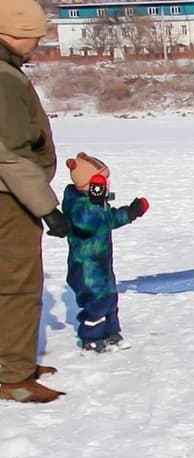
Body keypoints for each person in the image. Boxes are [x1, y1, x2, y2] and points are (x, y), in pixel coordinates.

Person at [0, 0, 70, 404]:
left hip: (11, 190)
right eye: (36, 38)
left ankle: (11, 361)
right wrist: (48, 208)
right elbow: (9, 153)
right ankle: (15, 377)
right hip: (9, 198)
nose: (38, 45)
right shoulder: (4, 79)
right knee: (18, 285)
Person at [61, 153, 149, 352]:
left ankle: (111, 332)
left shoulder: (97, 202)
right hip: (85, 267)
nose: (107, 185)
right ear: (88, 184)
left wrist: (131, 212)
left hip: (102, 265)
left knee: (110, 298)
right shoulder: (78, 205)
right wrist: (95, 200)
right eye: (102, 181)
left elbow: (109, 219)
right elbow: (86, 223)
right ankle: (91, 337)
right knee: (95, 302)